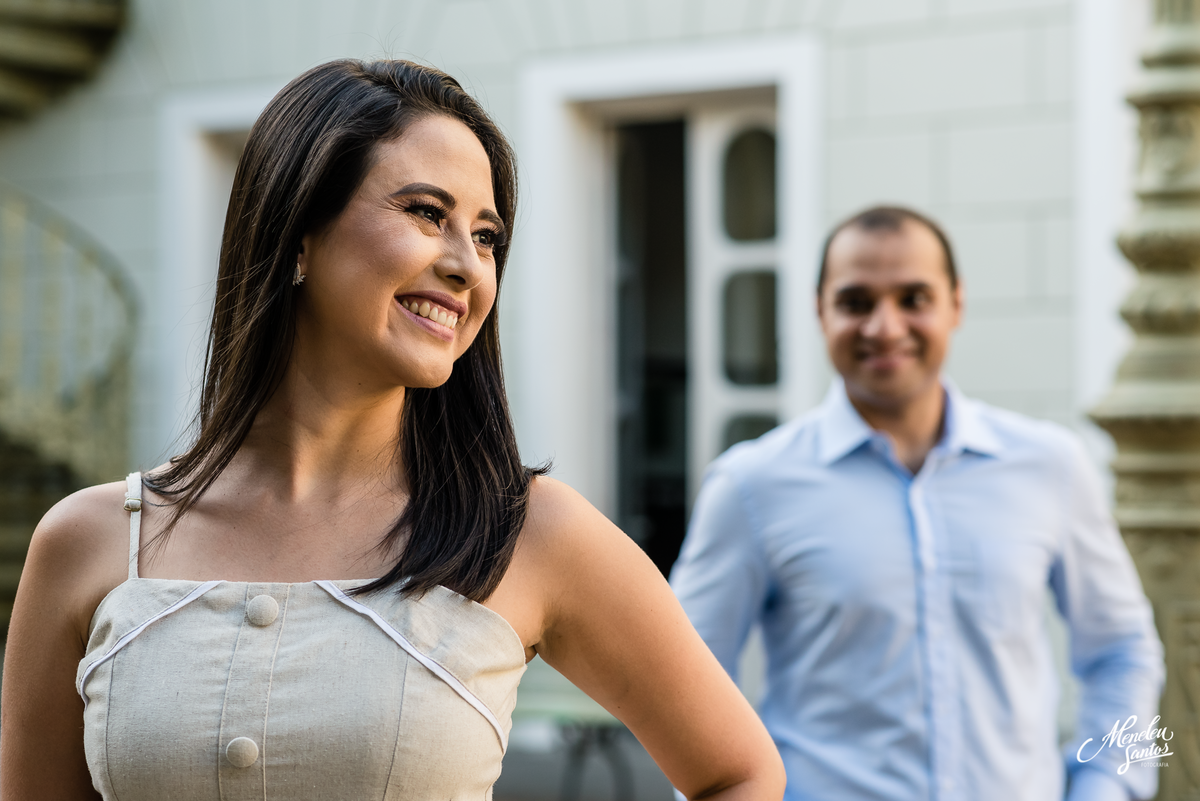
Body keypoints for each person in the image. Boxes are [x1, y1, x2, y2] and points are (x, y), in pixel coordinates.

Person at [0, 59, 785, 800]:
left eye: (486, 236)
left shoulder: (528, 533)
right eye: (427, 213)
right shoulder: (89, 543)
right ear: (297, 233)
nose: (468, 265)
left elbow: (740, 772)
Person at [670, 206, 1165, 801]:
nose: (885, 327)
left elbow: (1123, 651)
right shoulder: (750, 486)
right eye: (856, 302)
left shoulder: (1051, 466)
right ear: (820, 310)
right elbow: (679, 687)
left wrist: (1107, 787)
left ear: (956, 304)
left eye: (914, 298)